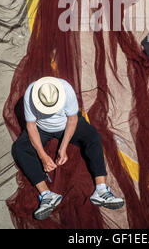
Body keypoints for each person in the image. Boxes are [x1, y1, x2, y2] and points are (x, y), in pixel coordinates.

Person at [12, 76, 124, 220]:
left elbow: (72, 120)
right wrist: (43, 156)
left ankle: (101, 190)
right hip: (42, 129)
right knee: (19, 149)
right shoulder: (30, 94)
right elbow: (31, 126)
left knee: (93, 136)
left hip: (66, 125)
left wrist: (62, 148)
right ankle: (47, 195)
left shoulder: (66, 89)